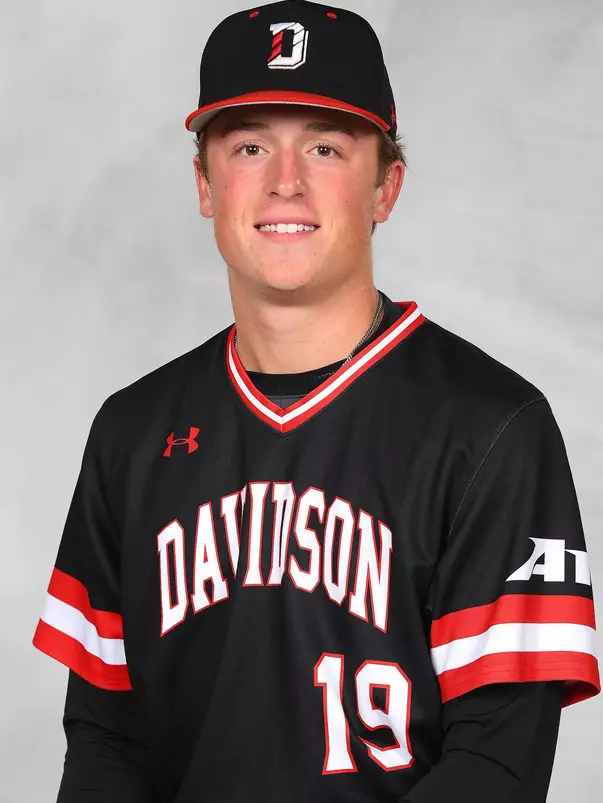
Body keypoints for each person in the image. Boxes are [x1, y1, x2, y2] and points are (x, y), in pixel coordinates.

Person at [33, 2, 600, 802]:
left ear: (384, 186)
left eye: (326, 147)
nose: (285, 181)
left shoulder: (493, 428)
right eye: (250, 144)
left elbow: (496, 764)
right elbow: (103, 738)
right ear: (204, 182)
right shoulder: (130, 431)